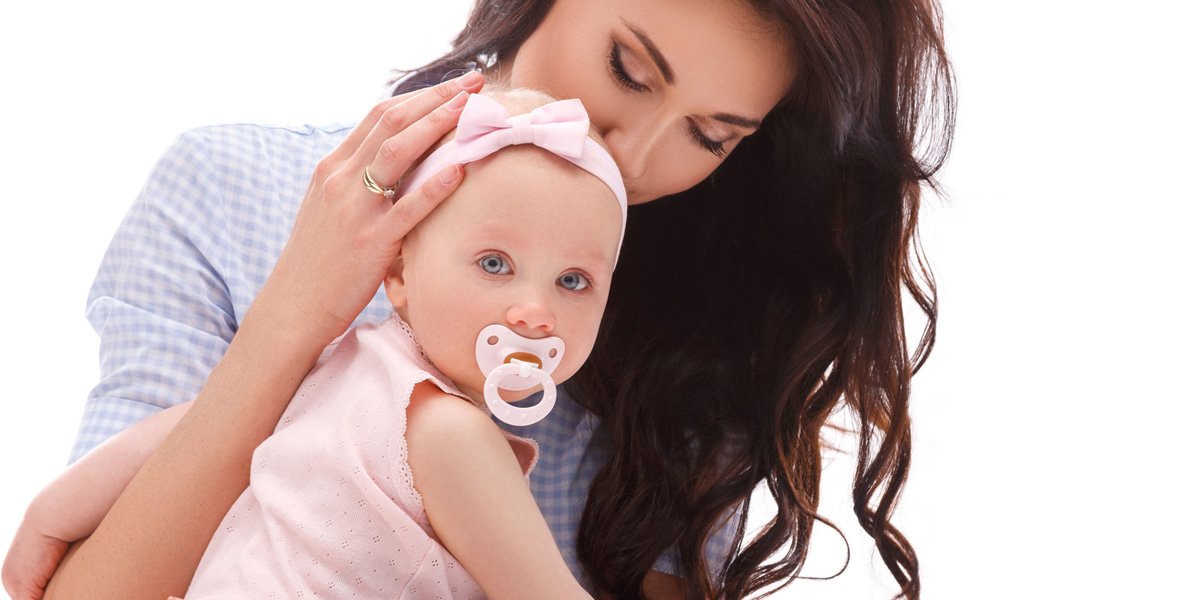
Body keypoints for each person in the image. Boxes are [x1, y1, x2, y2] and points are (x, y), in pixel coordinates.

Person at [3, 0, 955, 598]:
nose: (630, 156)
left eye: (710, 136)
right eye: (628, 68)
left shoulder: (698, 332)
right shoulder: (226, 186)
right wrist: (301, 312)